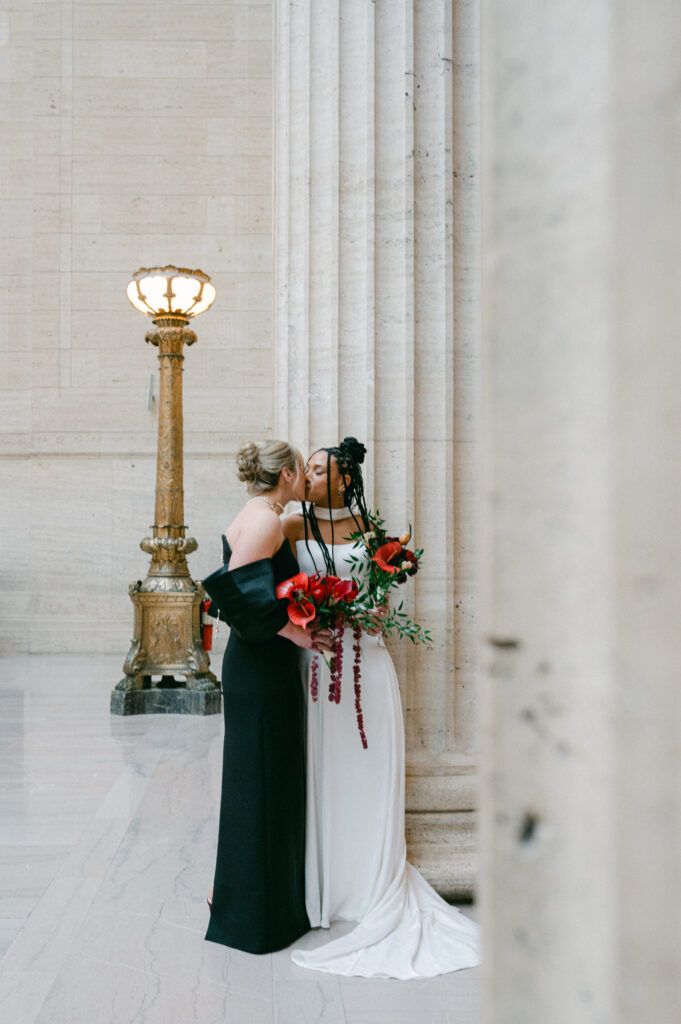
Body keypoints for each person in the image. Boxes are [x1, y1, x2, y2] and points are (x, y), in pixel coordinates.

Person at [282, 437, 481, 978]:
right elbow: (267, 579)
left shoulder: (372, 533)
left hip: (366, 662)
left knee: (365, 773)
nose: (311, 477)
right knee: (324, 771)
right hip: (319, 664)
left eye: (321, 471)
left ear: (346, 481)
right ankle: (325, 892)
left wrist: (367, 611)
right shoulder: (292, 525)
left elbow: (380, 596)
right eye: (309, 470)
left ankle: (368, 884)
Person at [203, 440, 331, 955]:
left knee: (262, 780)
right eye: (304, 470)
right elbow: (232, 592)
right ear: (288, 475)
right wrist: (294, 631)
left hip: (260, 664)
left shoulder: (262, 514)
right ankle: (248, 914)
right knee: (258, 783)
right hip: (260, 668)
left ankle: (250, 903)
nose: (307, 479)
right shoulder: (267, 520)